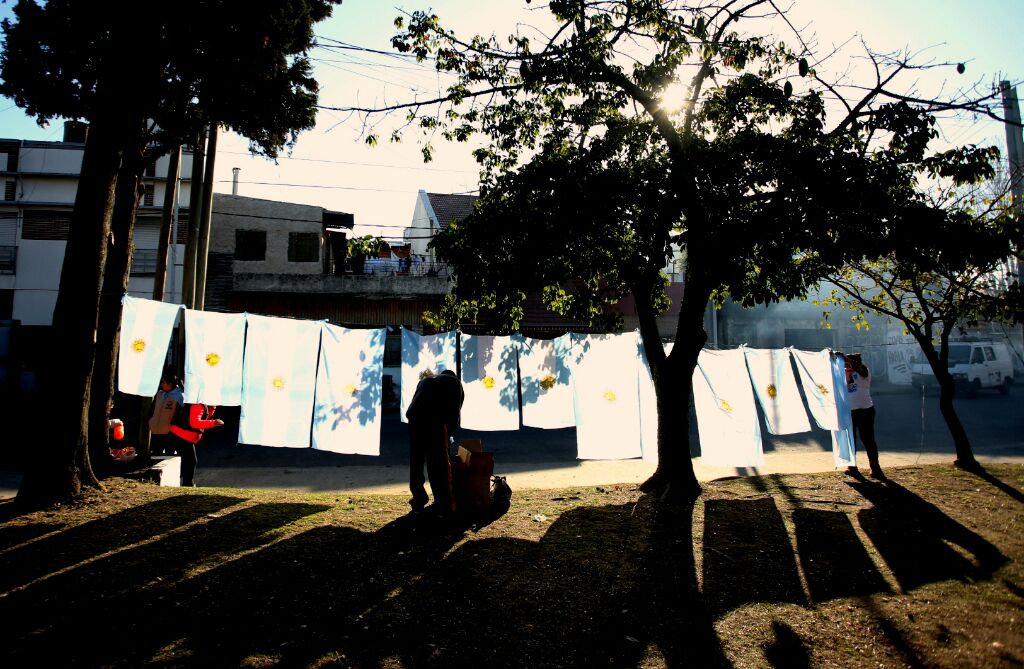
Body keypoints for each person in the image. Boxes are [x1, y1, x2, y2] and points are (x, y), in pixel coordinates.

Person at [405, 369, 465, 516]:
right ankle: (443, 503)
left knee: (416, 461)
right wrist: (448, 435)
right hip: (434, 422)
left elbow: (416, 401)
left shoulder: (426, 380)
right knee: (438, 464)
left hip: (414, 418)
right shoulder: (455, 383)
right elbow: (454, 412)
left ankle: (418, 500)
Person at [845, 353, 884, 479]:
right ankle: (852, 466)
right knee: (851, 440)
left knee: (868, 439)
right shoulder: (845, 373)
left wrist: (847, 359)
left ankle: (875, 467)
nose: (846, 366)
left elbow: (858, 367)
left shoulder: (864, 370)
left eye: (848, 363)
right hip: (850, 411)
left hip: (866, 410)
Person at [168, 401, 224, 487]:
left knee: (188, 461)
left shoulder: (201, 405)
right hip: (180, 435)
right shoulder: (198, 405)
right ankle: (187, 484)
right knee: (190, 461)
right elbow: (194, 423)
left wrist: (211, 412)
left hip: (181, 435)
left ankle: (187, 483)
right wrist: (213, 423)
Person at [149, 370, 183, 456]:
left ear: (170, 384)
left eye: (164, 383)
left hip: (169, 432)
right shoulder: (160, 393)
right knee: (156, 453)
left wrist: (174, 425)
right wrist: (150, 420)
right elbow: (152, 409)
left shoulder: (179, 396)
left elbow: (180, 413)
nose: (161, 384)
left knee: (169, 454)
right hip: (155, 429)